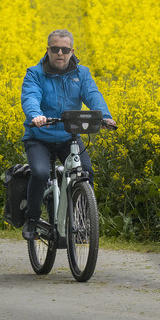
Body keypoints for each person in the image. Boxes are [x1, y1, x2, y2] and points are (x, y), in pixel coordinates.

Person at [20, 29, 116, 239]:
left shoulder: (81, 73)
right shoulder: (34, 73)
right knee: (40, 173)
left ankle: (80, 221)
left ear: (72, 51)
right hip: (39, 137)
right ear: (48, 50)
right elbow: (30, 96)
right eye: (55, 49)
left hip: (68, 136)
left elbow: (93, 95)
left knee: (86, 171)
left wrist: (105, 117)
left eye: (64, 49)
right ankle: (32, 219)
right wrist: (36, 115)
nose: (60, 53)